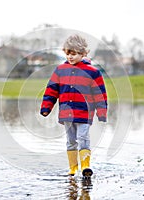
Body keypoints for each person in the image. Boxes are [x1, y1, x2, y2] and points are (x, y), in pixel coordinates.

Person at [40, 34, 107, 177]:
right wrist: (46, 108)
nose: (70, 57)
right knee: (70, 141)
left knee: (83, 137)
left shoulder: (93, 72)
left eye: (74, 54)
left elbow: (100, 94)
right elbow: (51, 90)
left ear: (83, 53)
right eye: (68, 54)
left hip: (84, 113)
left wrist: (102, 113)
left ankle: (85, 166)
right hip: (66, 114)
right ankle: (73, 168)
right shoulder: (60, 70)